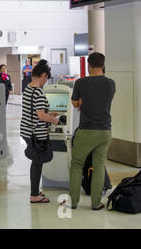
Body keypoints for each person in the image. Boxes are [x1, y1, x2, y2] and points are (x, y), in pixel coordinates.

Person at [69, 52, 115, 211]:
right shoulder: (111, 84)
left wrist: (83, 101)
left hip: (86, 131)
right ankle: (96, 203)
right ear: (103, 66)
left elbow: (75, 104)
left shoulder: (80, 83)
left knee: (76, 165)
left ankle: (73, 202)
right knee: (99, 166)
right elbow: (104, 101)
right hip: (104, 132)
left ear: (88, 65)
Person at [20, 60, 59, 204]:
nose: (46, 82)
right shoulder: (38, 92)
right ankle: (34, 195)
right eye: (46, 78)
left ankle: (35, 191)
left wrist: (49, 114)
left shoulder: (28, 89)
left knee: (36, 161)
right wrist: (54, 120)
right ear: (43, 75)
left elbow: (34, 111)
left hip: (27, 130)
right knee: (38, 162)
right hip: (37, 133)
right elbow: (41, 115)